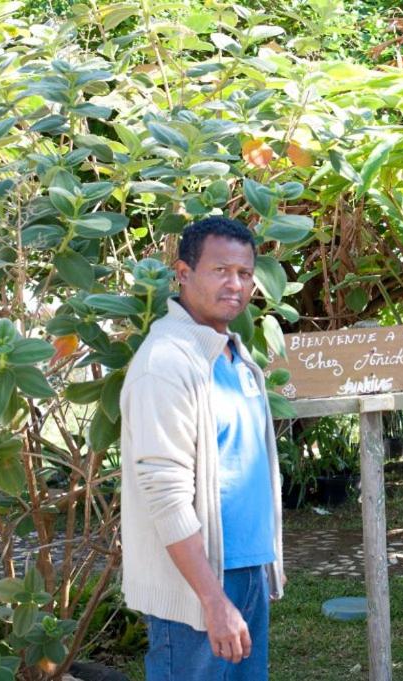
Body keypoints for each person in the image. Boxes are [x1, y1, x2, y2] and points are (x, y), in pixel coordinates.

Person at [120, 216, 285, 680]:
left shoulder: (232, 354)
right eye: (220, 270)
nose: (235, 284)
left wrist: (262, 570)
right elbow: (165, 493)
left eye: (245, 273)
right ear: (184, 273)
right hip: (197, 585)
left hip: (246, 571)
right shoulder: (166, 363)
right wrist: (213, 600)